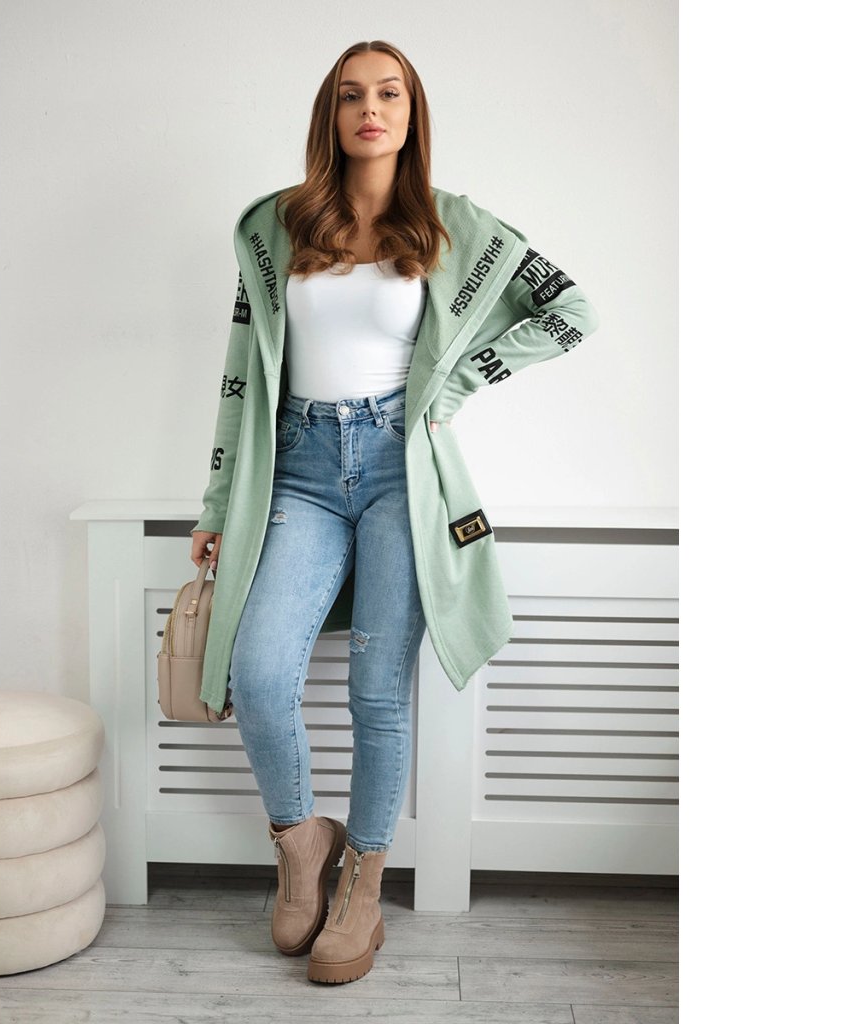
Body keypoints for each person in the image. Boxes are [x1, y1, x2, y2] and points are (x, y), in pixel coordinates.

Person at [189, 40, 600, 985]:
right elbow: (241, 373)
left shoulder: (454, 227)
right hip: (295, 470)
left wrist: (456, 381)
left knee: (377, 694)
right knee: (258, 673)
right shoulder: (278, 226)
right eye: (350, 96)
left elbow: (569, 312)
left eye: (389, 94)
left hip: (399, 474)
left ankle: (364, 885)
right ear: (329, 115)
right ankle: (302, 842)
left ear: (412, 114)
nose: (369, 110)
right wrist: (215, 500)